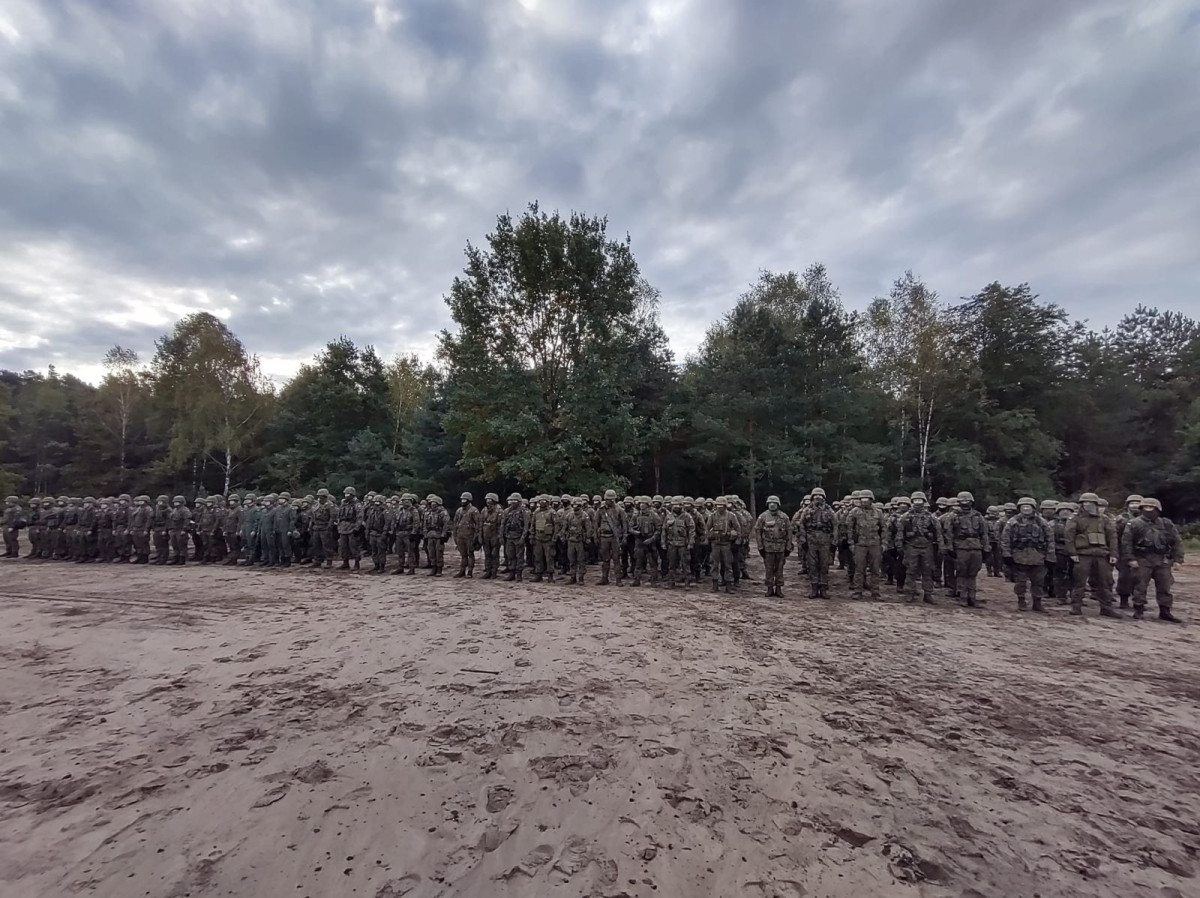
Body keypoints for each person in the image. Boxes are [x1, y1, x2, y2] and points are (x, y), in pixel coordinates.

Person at [1122, 498, 1184, 623]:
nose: (1149, 510)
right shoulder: (1134, 523)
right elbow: (1126, 542)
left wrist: (1178, 559)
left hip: (1162, 558)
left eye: (1152, 508)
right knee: (1140, 585)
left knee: (1165, 586)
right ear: (1141, 509)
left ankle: (1165, 611)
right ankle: (1138, 609)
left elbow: (1176, 541)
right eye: (1146, 507)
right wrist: (1130, 559)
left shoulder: (1166, 523)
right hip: (1142, 558)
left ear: (1158, 509)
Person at [1063, 492, 1121, 618]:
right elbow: (1069, 536)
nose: (1087, 505)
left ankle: (1106, 608)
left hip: (1101, 554)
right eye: (1085, 502)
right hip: (1083, 554)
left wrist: (1113, 553)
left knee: (1105, 582)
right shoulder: (1075, 518)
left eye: (1091, 503)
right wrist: (1072, 552)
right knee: (1080, 582)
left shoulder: (1104, 519)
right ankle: (1076, 607)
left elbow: (1112, 537)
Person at [1000, 498, 1055, 612]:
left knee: (1038, 582)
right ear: (1019, 508)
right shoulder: (1013, 522)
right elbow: (1005, 539)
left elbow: (1050, 540)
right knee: (1020, 582)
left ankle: (1037, 603)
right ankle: (1021, 601)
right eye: (1023, 506)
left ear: (1033, 508)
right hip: (1019, 557)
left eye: (1028, 506)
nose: (1026, 508)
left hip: (1038, 557)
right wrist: (1007, 555)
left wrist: (1050, 556)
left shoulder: (1042, 522)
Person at [945, 491, 990, 607]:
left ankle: (972, 597)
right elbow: (948, 533)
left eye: (967, 501)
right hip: (960, 547)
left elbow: (984, 533)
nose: (965, 503)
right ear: (959, 502)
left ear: (971, 502)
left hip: (976, 547)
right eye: (962, 501)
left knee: (973, 574)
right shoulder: (952, 516)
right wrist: (950, 548)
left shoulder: (978, 516)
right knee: (961, 573)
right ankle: (963, 597)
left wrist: (986, 547)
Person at [897, 491, 941, 605]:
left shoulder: (930, 517)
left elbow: (938, 532)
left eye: (920, 500)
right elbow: (900, 532)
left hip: (927, 546)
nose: (917, 502)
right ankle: (909, 593)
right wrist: (899, 546)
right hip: (911, 546)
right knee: (911, 571)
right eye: (915, 500)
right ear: (912, 502)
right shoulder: (905, 517)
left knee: (928, 571)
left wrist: (941, 545)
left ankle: (928, 594)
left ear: (924, 502)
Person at [798, 487, 837, 598]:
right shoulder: (807, 510)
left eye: (820, 496)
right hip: (811, 540)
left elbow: (835, 524)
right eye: (815, 497)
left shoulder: (829, 510)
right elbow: (801, 524)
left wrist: (834, 540)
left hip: (825, 541)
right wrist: (803, 539)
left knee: (824, 565)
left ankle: (823, 588)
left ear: (824, 498)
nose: (818, 498)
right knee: (812, 565)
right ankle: (814, 588)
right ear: (812, 498)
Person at [848, 490, 885, 601]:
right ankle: (858, 591)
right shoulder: (854, 512)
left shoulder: (878, 512)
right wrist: (851, 543)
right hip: (860, 544)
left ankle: (875, 592)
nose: (864, 501)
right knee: (859, 569)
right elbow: (849, 528)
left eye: (866, 498)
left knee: (875, 570)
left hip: (875, 544)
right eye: (862, 499)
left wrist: (884, 543)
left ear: (871, 499)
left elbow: (884, 528)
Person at [755, 495, 793, 598]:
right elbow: (758, 531)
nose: (772, 505)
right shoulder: (763, 516)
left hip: (781, 547)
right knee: (769, 569)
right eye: (770, 503)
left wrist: (789, 546)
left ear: (778, 504)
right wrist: (760, 546)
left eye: (774, 503)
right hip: (768, 547)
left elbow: (789, 531)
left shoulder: (784, 517)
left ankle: (779, 588)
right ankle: (769, 588)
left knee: (780, 569)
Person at [706, 496, 739, 593]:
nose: (719, 507)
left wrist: (735, 539)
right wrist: (709, 537)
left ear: (725, 506)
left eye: (722, 505)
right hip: (715, 543)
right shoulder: (712, 516)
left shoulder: (731, 516)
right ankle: (715, 584)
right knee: (714, 564)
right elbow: (707, 529)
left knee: (728, 564)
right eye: (718, 505)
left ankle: (728, 585)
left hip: (726, 543)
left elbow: (737, 529)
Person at [596, 490, 628, 586]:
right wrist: (595, 536)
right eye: (609, 499)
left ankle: (618, 580)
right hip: (604, 536)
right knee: (605, 559)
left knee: (616, 559)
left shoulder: (619, 510)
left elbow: (624, 524)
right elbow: (596, 523)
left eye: (612, 499)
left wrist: (625, 536)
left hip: (614, 537)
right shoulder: (601, 510)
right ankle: (604, 578)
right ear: (605, 499)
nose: (611, 501)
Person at [662, 497, 695, 588]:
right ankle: (671, 582)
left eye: (679, 505)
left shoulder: (687, 516)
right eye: (675, 505)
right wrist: (663, 543)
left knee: (685, 564)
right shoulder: (669, 516)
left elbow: (692, 530)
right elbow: (664, 530)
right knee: (671, 564)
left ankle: (687, 582)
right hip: (671, 544)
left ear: (682, 506)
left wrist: (690, 543)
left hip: (683, 545)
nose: (677, 506)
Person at [561, 496, 594, 585]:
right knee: (571, 559)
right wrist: (563, 536)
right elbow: (564, 527)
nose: (575, 506)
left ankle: (581, 578)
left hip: (580, 541)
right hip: (571, 540)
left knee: (581, 560)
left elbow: (589, 529)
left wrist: (587, 538)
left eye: (577, 505)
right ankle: (572, 577)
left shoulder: (585, 515)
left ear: (580, 505)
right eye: (574, 504)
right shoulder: (569, 515)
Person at [629, 496, 661, 587]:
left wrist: (652, 539)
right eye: (640, 503)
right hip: (639, 540)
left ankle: (653, 581)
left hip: (650, 541)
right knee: (638, 561)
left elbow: (659, 529)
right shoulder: (636, 515)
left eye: (643, 503)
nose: (641, 505)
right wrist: (635, 532)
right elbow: (630, 527)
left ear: (648, 505)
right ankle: (636, 580)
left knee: (653, 562)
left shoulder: (654, 515)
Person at [452, 492, 481, 578]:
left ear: (469, 500)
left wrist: (476, 537)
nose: (463, 501)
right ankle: (462, 570)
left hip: (470, 536)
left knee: (470, 554)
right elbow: (455, 523)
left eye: (465, 499)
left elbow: (478, 524)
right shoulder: (459, 510)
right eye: (462, 499)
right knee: (463, 555)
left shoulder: (474, 510)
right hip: (460, 536)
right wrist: (455, 536)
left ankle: (470, 571)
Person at [423, 495, 451, 576]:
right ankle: (433, 567)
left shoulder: (443, 513)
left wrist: (443, 535)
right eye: (431, 503)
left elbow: (446, 525)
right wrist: (425, 534)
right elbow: (424, 524)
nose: (432, 504)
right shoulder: (428, 512)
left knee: (439, 553)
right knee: (431, 552)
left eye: (434, 503)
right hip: (430, 535)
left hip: (439, 535)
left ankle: (439, 569)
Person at [337, 487, 362, 571]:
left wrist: (357, 528)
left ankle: (356, 563)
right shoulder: (343, 503)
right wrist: (339, 525)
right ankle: (345, 562)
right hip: (343, 527)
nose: (346, 495)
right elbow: (339, 515)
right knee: (343, 546)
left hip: (352, 527)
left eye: (348, 494)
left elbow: (360, 517)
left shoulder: (357, 504)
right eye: (345, 494)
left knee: (353, 546)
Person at [479, 493, 503, 579]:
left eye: (490, 500)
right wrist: (480, 535)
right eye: (487, 500)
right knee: (487, 554)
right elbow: (480, 524)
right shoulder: (484, 510)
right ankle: (488, 570)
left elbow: (501, 525)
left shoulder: (499, 511)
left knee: (494, 554)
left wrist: (500, 537)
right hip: (486, 535)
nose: (488, 501)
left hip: (494, 535)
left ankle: (494, 572)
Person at [167, 496, 191, 565]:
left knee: (181, 545)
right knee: (174, 544)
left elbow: (187, 520)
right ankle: (176, 557)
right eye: (175, 502)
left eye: (177, 502)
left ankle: (182, 558)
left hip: (180, 529)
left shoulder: (185, 510)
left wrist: (184, 529)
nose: (175, 503)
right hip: (174, 529)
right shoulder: (174, 510)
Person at [129, 495, 153, 564]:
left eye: (142, 501)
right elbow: (133, 519)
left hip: (143, 529)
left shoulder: (148, 509)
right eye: (139, 501)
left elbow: (149, 520)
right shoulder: (137, 509)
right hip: (136, 528)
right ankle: (139, 557)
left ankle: (145, 558)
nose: (140, 502)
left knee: (144, 544)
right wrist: (132, 528)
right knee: (137, 544)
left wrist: (146, 529)